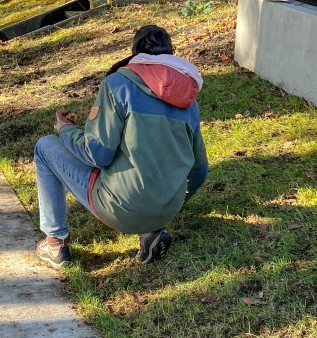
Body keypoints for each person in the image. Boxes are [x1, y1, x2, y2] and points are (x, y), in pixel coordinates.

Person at [34, 24, 208, 268]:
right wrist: (170, 201)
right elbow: (200, 171)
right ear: (171, 53)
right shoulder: (189, 101)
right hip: (168, 208)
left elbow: (97, 154)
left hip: (121, 208)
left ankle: (55, 242)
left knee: (45, 146)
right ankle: (152, 231)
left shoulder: (118, 84)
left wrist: (65, 130)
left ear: (134, 53)